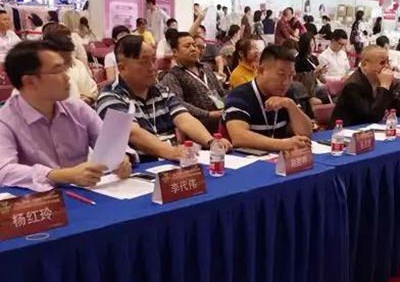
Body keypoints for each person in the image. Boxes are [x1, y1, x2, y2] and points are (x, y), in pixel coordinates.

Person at [0, 41, 130, 192]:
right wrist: (62, 175)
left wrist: (121, 158)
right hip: (37, 200)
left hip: (85, 193)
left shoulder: (77, 107)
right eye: (57, 71)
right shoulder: (5, 120)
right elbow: (4, 171)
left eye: (65, 68)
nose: (67, 77)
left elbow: (111, 143)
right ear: (29, 81)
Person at [96, 35, 231, 161]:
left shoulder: (162, 91)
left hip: (171, 163)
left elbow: (184, 119)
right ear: (122, 68)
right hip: (139, 168)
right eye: (144, 62)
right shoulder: (110, 97)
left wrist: (211, 142)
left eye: (153, 60)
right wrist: (171, 152)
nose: (153, 68)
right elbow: (132, 133)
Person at [223, 45, 313, 152]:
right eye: (282, 75)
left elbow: (306, 132)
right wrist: (284, 144)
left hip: (275, 157)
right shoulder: (239, 95)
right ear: (261, 71)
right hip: (241, 159)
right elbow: (239, 137)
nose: (287, 82)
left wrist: (290, 104)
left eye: (291, 76)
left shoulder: (286, 94)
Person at [329, 45, 400, 128]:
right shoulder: (353, 85)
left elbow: (398, 107)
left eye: (388, 62)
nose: (387, 67)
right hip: (342, 135)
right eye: (382, 63)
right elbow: (371, 116)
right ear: (364, 64)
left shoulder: (382, 80)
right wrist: (384, 87)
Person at [160, 32, 225, 133]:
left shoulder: (206, 68)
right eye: (187, 46)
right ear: (175, 52)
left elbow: (221, 92)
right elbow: (178, 103)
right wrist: (208, 114)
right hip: (197, 128)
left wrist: (227, 105)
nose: (193, 49)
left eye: (194, 45)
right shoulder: (172, 76)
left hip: (221, 121)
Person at [42, 32, 98, 104]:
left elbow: (94, 92)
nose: (67, 64)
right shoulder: (46, 74)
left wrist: (89, 99)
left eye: (69, 59)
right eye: (63, 60)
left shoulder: (77, 64)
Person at [295, 33, 327, 105]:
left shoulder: (314, 58)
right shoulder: (299, 61)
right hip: (307, 89)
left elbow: (320, 77)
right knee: (327, 93)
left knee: (332, 90)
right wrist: (315, 72)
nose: (313, 47)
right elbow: (303, 80)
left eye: (314, 44)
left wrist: (321, 72)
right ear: (305, 46)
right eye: (311, 45)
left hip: (316, 85)